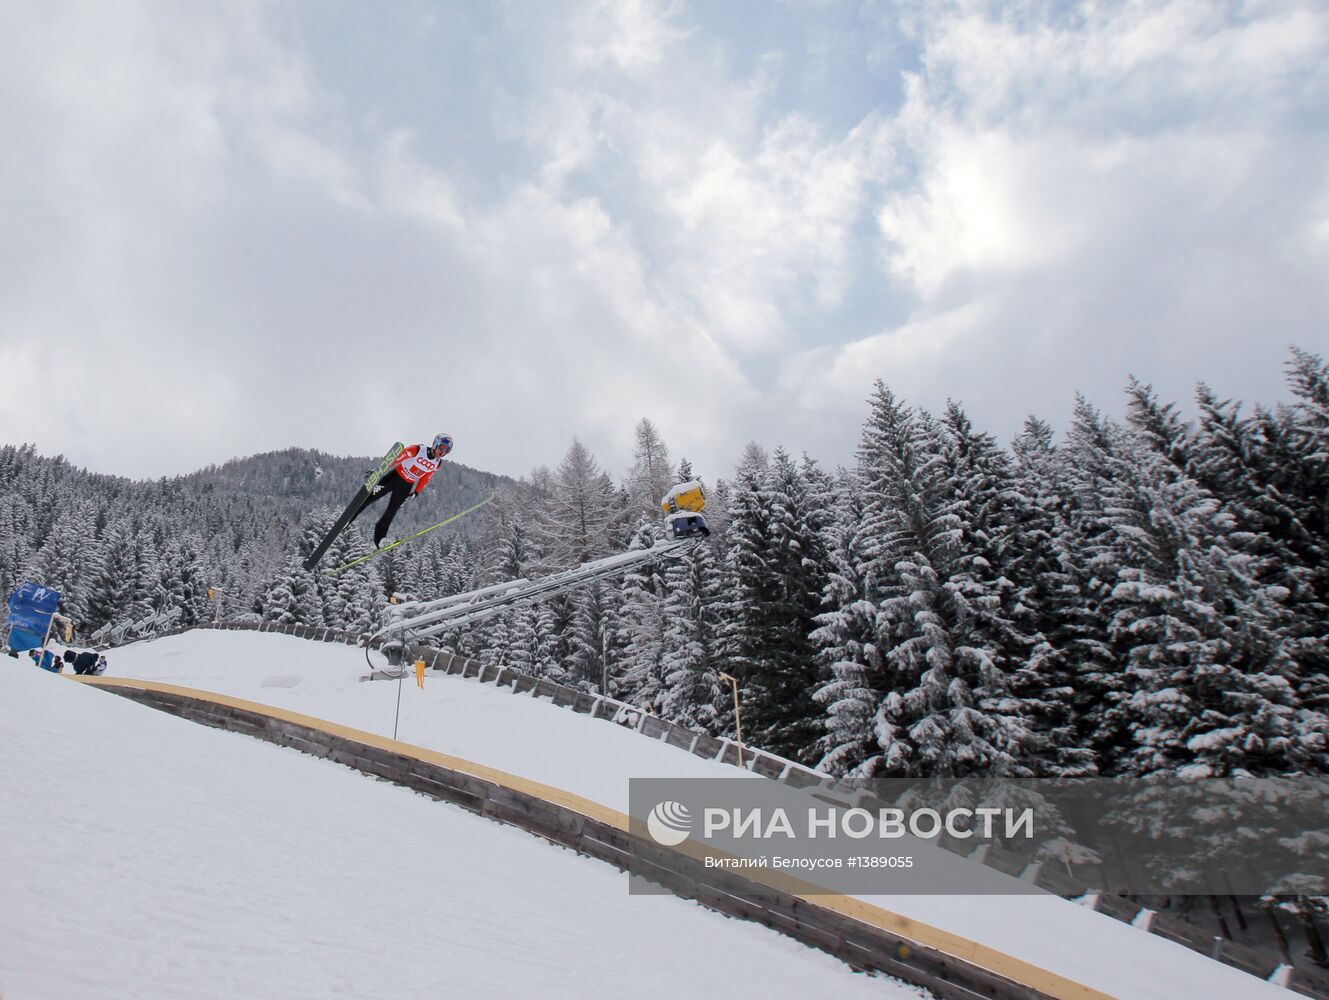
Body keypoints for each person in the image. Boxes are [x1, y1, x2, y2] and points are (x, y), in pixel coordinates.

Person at [351, 433, 453, 547]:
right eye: (442, 448)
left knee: (391, 512)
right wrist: (380, 470)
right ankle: (349, 518)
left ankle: (380, 539)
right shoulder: (418, 449)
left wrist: (417, 491)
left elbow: (425, 477)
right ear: (435, 444)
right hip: (394, 478)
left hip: (406, 487)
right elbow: (397, 457)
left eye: (446, 450)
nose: (443, 452)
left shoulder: (437, 464)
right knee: (370, 498)